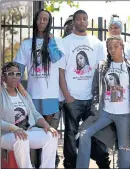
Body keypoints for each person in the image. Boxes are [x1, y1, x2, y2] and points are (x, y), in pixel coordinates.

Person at [76, 35, 130, 168]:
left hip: (125, 115)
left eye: (116, 46)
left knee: (124, 149)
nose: (112, 50)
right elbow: (95, 89)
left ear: (122, 46)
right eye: (110, 47)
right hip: (105, 113)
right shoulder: (102, 66)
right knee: (84, 134)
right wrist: (96, 106)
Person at [14, 9, 65, 168]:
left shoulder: (55, 41)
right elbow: (18, 69)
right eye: (40, 19)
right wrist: (17, 88)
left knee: (48, 134)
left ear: (49, 23)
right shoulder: (26, 44)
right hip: (33, 95)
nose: (42, 22)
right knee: (32, 133)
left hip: (50, 95)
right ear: (35, 21)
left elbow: (56, 59)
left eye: (45, 19)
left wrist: (50, 43)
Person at [59, 9, 110, 168]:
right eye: (78, 19)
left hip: (92, 98)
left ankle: (103, 162)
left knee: (98, 133)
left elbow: (103, 71)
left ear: (88, 21)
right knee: (70, 134)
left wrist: (101, 96)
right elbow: (61, 71)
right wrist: (67, 96)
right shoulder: (65, 42)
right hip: (72, 98)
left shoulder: (96, 43)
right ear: (74, 22)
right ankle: (71, 164)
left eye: (85, 19)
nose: (82, 21)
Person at [0, 62, 59, 168]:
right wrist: (14, 128)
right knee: (22, 139)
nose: (15, 77)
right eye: (10, 74)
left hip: (27, 131)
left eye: (17, 74)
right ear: (3, 76)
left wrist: (47, 126)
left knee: (52, 136)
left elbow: (35, 114)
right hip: (6, 135)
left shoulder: (24, 94)